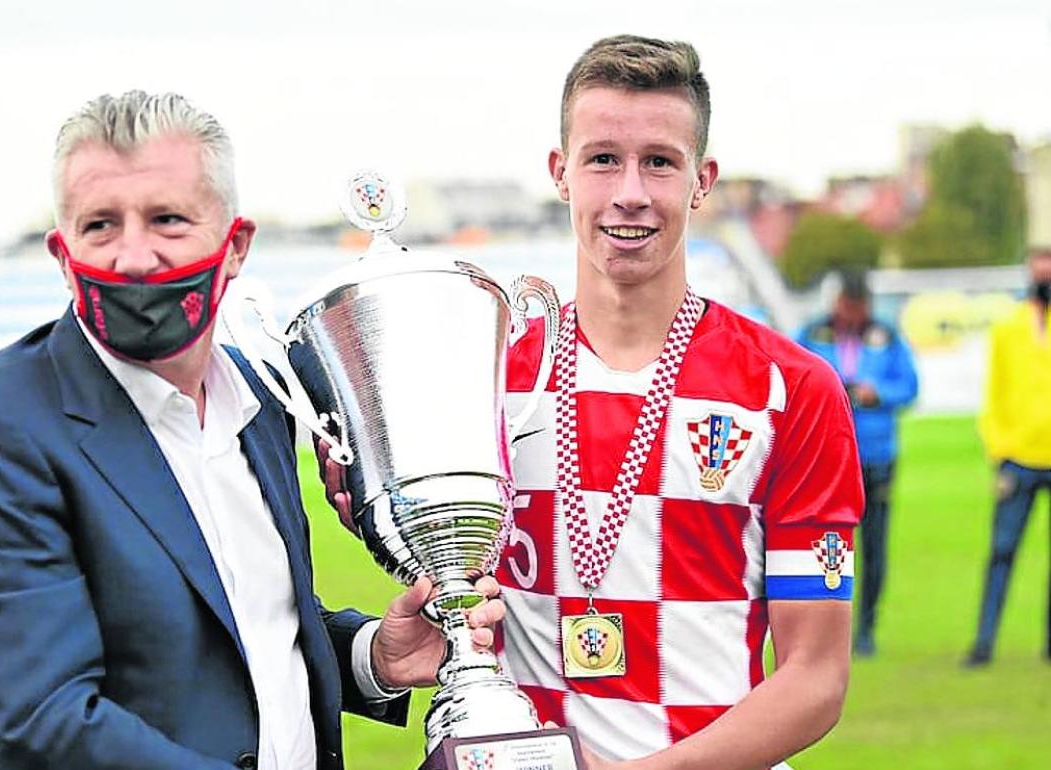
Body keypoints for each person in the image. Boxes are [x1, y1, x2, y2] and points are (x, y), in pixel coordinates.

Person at [0, 90, 504, 770]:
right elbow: (40, 722)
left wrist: (374, 658)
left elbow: (239, 628)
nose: (133, 258)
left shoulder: (261, 400)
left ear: (235, 244)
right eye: (100, 226)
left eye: (167, 219)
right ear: (62, 253)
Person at [325, 34, 863, 770]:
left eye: (660, 162)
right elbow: (452, 582)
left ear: (701, 181)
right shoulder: (482, 378)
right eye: (603, 158)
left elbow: (817, 678)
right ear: (561, 172)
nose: (631, 192)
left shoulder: (790, 389)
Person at [796, 270, 919, 656]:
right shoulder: (814, 334)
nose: (849, 313)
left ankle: (866, 629)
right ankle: (818, 630)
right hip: (825, 457)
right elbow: (791, 377)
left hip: (876, 455)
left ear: (866, 305)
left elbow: (910, 387)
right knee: (821, 547)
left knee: (875, 547)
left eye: (856, 306)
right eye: (844, 305)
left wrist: (875, 393)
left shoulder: (886, 336)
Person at [963, 245, 1051, 667]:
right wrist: (999, 452)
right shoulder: (1009, 328)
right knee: (1002, 551)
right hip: (1017, 458)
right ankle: (985, 641)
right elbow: (994, 394)